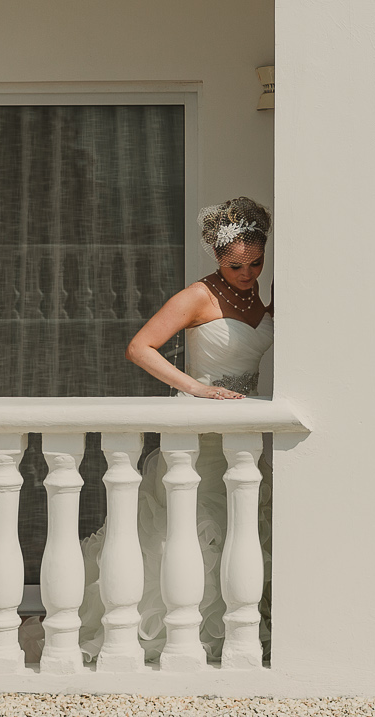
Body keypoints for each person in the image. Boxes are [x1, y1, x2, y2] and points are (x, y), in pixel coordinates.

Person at [78, 196, 273, 664]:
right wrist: (197, 390)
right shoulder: (198, 295)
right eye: (235, 266)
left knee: (242, 531)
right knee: (195, 531)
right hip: (201, 434)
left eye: (256, 263)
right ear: (217, 259)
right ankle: (181, 640)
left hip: (243, 435)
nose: (246, 274)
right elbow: (139, 347)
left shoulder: (260, 296)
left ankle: (235, 632)